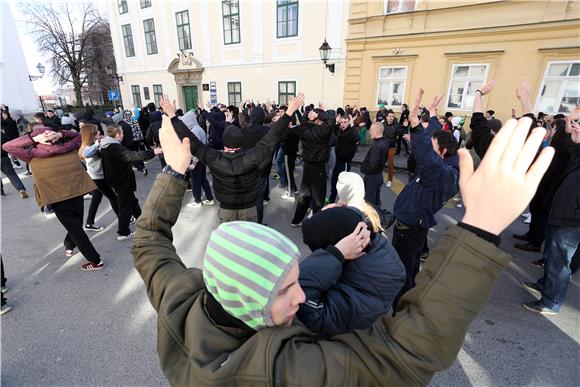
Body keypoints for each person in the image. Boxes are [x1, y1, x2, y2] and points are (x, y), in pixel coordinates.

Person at [131, 105, 554, 385]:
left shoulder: (178, 298)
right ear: (246, 302)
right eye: (283, 291)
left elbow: (149, 239)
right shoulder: (284, 369)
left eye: (296, 278)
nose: (302, 297)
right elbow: (407, 353)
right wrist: (479, 230)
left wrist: (172, 170)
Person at [163, 93, 305, 223]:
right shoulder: (252, 156)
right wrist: (289, 113)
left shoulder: (214, 158)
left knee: (229, 246)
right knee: (247, 246)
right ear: (241, 143)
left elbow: (193, 142)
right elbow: (272, 137)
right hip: (249, 209)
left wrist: (173, 116)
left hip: (226, 210)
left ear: (225, 144)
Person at [3, 124, 104, 271]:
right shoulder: (69, 147)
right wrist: (61, 134)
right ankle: (69, 246)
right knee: (75, 224)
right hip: (76, 191)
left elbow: (8, 146)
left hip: (56, 197)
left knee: (76, 229)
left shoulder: (32, 155)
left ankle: (96, 261)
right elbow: (80, 135)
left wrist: (32, 138)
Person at [392, 89, 459, 302]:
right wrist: (430, 112)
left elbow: (427, 154)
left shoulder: (441, 172)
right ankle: (406, 296)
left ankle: (400, 307)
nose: (429, 146)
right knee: (409, 266)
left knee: (403, 270)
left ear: (443, 153)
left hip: (410, 228)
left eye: (433, 147)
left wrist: (414, 123)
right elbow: (434, 141)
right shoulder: (446, 164)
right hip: (412, 225)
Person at [521, 111, 580, 314]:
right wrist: (573, 118)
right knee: (552, 256)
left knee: (560, 261)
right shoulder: (577, 154)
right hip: (562, 214)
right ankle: (545, 285)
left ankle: (551, 302)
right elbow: (569, 139)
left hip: (572, 220)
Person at [100, 125, 156, 240]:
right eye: (122, 133)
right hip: (122, 181)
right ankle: (123, 232)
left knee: (132, 202)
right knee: (125, 206)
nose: (123, 135)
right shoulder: (114, 147)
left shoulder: (106, 146)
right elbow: (132, 156)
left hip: (118, 180)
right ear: (117, 135)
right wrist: (153, 152)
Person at [289, 106, 334, 226]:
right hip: (318, 167)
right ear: (318, 120)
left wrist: (305, 113)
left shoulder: (304, 128)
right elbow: (331, 120)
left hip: (307, 166)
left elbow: (303, 121)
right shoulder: (322, 131)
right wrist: (318, 115)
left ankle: (296, 220)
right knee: (319, 198)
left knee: (305, 195)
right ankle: (316, 225)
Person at [78, 124, 119, 231]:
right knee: (113, 198)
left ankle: (89, 223)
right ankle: (124, 219)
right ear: (90, 134)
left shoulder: (95, 143)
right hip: (97, 178)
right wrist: (98, 144)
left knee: (96, 200)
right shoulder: (87, 147)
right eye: (96, 132)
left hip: (98, 176)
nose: (99, 132)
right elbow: (86, 153)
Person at [178, 111, 214, 209]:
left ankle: (197, 201)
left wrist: (193, 162)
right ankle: (210, 198)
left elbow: (195, 149)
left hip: (196, 161)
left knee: (195, 182)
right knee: (203, 180)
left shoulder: (194, 131)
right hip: (202, 159)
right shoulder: (200, 129)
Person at [328, 115, 360, 203]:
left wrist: (353, 125)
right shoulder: (339, 130)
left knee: (344, 184)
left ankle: (344, 202)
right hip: (338, 161)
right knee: (334, 181)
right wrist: (336, 122)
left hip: (345, 162)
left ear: (349, 122)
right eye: (341, 122)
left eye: (345, 122)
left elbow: (357, 138)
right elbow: (332, 132)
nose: (343, 124)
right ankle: (331, 200)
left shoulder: (351, 132)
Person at [1, 111, 28, 198]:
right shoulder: (1, 134)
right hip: (3, 157)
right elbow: (7, 143)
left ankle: (1, 192)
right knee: (12, 175)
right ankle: (21, 189)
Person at [360, 122, 389, 207]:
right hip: (379, 175)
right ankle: (379, 218)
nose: (369, 132)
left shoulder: (377, 146)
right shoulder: (385, 142)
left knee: (369, 203)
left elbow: (372, 165)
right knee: (376, 200)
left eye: (371, 130)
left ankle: (372, 219)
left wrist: (363, 169)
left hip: (372, 177)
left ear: (376, 131)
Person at [383, 110, 401, 187]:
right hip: (383, 147)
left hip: (391, 147)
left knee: (390, 164)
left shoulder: (396, 126)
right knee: (379, 162)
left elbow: (402, 132)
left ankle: (390, 180)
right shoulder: (382, 124)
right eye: (389, 116)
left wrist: (405, 127)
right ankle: (377, 178)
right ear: (386, 117)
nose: (391, 118)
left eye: (392, 116)